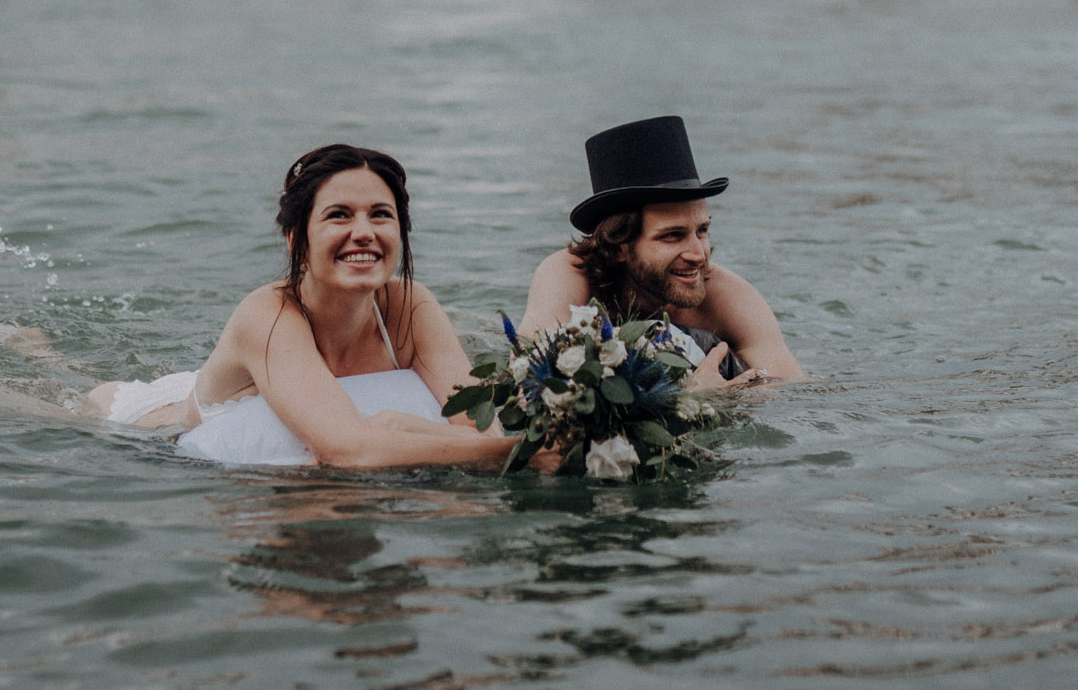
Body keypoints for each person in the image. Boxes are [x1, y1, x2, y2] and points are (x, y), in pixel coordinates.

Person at [70, 144, 537, 469]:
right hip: (142, 420)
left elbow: (480, 426)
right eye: (339, 215)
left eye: (381, 214)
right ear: (297, 240)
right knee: (59, 389)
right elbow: (351, 452)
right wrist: (523, 452)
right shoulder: (268, 314)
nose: (364, 232)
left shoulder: (412, 306)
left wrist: (405, 427)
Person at [523, 116, 804, 387]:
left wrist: (729, 400)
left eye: (702, 231)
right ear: (619, 244)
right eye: (673, 236)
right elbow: (526, 375)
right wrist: (690, 396)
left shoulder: (726, 296)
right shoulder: (570, 276)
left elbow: (793, 393)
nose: (698, 254)